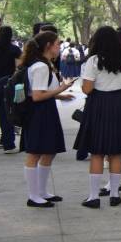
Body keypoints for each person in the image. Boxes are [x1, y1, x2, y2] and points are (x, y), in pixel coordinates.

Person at [75, 26, 121, 208]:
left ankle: (93, 197)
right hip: (120, 105)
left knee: (97, 152)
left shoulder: (94, 60)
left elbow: (87, 88)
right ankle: (115, 194)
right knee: (116, 151)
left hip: (99, 104)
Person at [19, 31, 74, 208]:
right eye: (57, 43)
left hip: (45, 109)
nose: (60, 46)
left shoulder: (43, 64)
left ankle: (41, 192)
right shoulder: (41, 66)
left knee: (49, 151)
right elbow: (37, 96)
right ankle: (34, 195)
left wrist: (60, 96)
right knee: (35, 152)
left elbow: (40, 92)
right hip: (39, 112)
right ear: (48, 46)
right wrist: (61, 89)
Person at [0, 25, 21, 154]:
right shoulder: (14, 49)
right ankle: (8, 145)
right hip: (7, 86)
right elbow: (19, 68)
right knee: (7, 115)